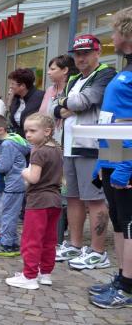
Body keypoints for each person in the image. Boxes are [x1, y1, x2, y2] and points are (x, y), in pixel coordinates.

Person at [52, 35, 117, 271]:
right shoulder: (74, 79)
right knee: (73, 197)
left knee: (95, 199)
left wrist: (65, 103)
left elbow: (84, 101)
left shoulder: (105, 73)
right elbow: (54, 108)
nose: (81, 58)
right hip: (69, 145)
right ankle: (75, 245)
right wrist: (65, 105)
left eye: (86, 53)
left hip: (92, 146)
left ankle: (98, 252)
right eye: (78, 54)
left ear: (97, 52)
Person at [89, 7, 132, 308]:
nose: (112, 37)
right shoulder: (125, 69)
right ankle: (122, 277)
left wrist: (126, 166)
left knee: (129, 226)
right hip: (112, 156)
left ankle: (128, 287)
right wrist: (102, 162)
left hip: (125, 159)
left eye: (115, 31)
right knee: (119, 222)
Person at [4, 113, 63, 289]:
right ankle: (45, 273)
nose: (28, 135)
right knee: (49, 240)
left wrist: (23, 171)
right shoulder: (56, 149)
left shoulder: (39, 152)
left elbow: (34, 178)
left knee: (32, 239)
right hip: (55, 200)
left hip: (38, 201)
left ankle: (29, 276)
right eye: (26, 131)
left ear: (47, 131)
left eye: (32, 131)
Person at [0, 115, 30, 257]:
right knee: (8, 213)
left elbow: (3, 166)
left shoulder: (6, 145)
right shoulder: (12, 141)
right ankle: (10, 241)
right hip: (15, 183)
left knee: (8, 214)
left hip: (13, 184)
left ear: (0, 130)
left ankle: (8, 245)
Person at [7, 68, 45, 134]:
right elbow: (12, 121)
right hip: (18, 137)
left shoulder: (40, 97)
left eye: (12, 84)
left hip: (33, 137)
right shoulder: (16, 97)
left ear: (23, 86)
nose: (10, 86)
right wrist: (9, 100)